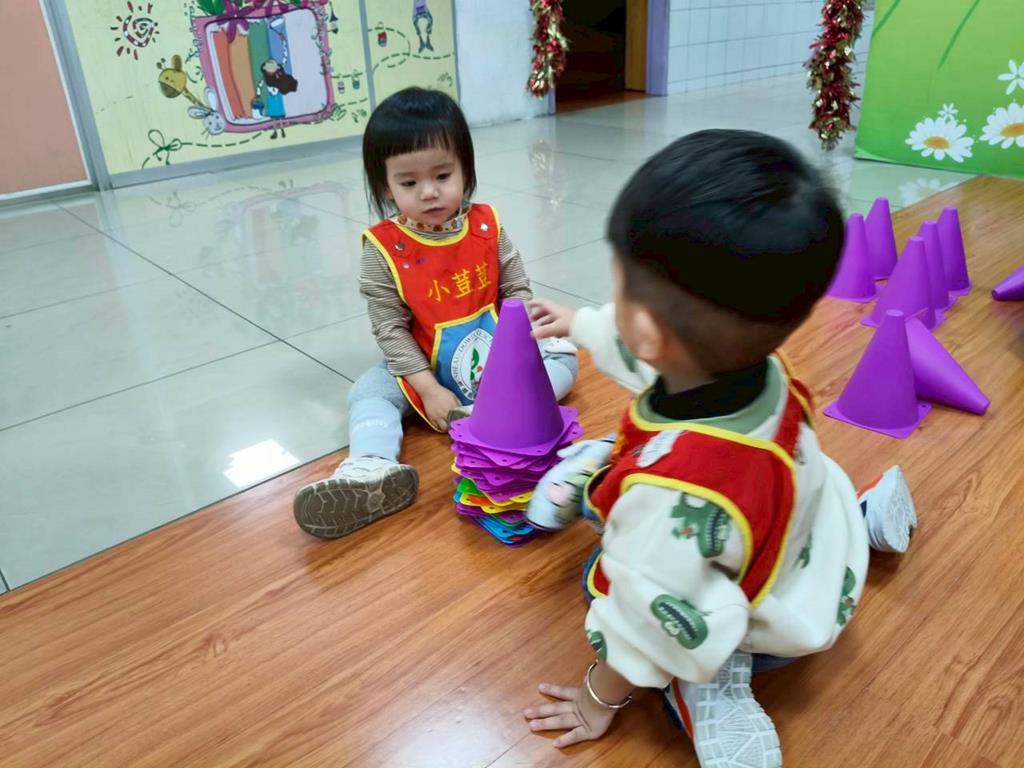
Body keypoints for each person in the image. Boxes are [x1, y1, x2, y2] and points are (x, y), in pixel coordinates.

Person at [520, 130, 917, 768]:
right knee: (765, 500)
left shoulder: (669, 503)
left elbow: (645, 626)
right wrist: (583, 324)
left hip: (758, 619)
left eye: (619, 283)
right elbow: (651, 354)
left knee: (615, 579)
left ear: (647, 328)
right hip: (814, 536)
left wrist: (596, 699)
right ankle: (863, 518)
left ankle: (712, 682)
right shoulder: (762, 367)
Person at [293, 87, 578, 539]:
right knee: (369, 391)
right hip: (424, 367)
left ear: (465, 168)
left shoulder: (487, 226)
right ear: (385, 186)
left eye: (443, 175)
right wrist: (427, 389)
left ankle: (493, 413)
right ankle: (371, 467)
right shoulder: (383, 249)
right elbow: (389, 329)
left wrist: (520, 354)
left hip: (498, 360)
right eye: (408, 183)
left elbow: (517, 290)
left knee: (563, 355)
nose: (429, 192)